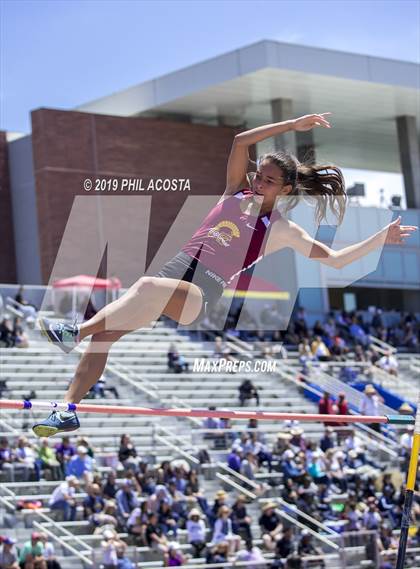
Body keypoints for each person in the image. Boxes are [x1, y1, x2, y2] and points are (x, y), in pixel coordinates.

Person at [33, 112, 417, 436]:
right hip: (173, 277)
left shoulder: (280, 228)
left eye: (267, 180)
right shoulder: (234, 191)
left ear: (284, 189)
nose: (257, 182)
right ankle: (68, 409)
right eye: (258, 175)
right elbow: (239, 141)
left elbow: (335, 259)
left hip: (201, 294)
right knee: (105, 337)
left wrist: (380, 238)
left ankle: (73, 332)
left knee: (144, 286)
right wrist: (293, 124)